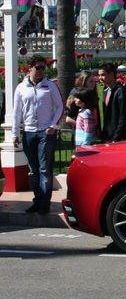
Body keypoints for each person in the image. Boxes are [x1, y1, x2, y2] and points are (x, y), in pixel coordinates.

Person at [12, 55, 64, 215]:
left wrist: (53, 125)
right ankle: (38, 199)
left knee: (44, 169)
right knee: (33, 170)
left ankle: (44, 203)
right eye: (38, 67)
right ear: (30, 68)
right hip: (29, 132)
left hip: (45, 133)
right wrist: (15, 132)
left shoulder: (50, 86)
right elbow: (16, 112)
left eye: (43, 68)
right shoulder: (21, 88)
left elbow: (60, 106)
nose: (42, 71)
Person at [98, 62, 126, 142]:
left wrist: (116, 139)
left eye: (103, 75)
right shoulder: (106, 90)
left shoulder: (121, 92)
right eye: (99, 75)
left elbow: (123, 117)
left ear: (111, 75)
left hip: (118, 139)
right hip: (108, 137)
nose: (100, 78)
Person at [65, 71, 101, 139]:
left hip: (93, 132)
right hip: (81, 134)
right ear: (84, 82)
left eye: (94, 81)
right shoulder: (78, 98)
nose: (93, 84)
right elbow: (68, 119)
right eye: (90, 81)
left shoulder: (94, 96)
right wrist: (82, 125)